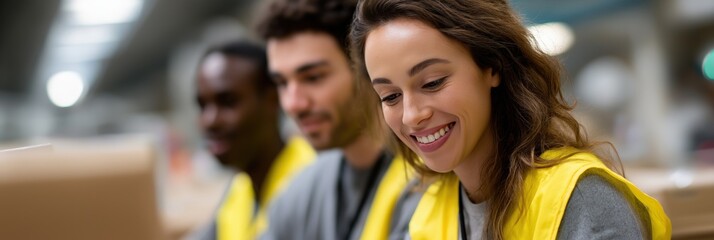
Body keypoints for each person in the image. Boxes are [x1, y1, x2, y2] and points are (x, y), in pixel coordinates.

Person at [349, 0, 672, 239]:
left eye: (432, 82)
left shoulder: (580, 199)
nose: (412, 115)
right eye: (390, 96)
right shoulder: (429, 214)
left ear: (493, 67)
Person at [254, 0, 415, 239]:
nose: (293, 103)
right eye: (282, 83)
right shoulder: (304, 191)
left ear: (365, 68)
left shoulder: (426, 179)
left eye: (313, 78)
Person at [193, 40, 315, 240]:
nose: (209, 121)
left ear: (272, 100)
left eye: (227, 102)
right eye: (202, 105)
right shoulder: (239, 189)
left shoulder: (310, 180)